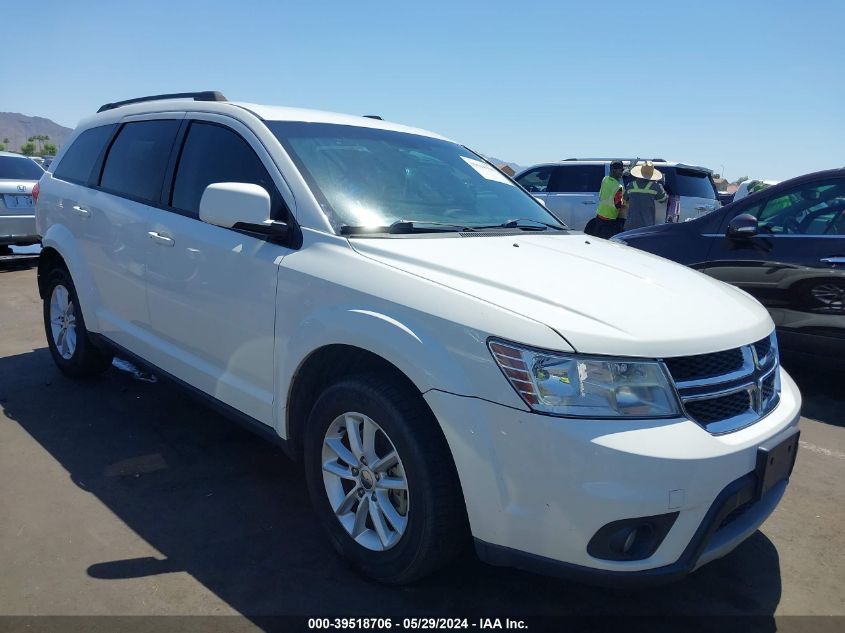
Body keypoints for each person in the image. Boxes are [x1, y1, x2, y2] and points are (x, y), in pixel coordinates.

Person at [624, 161, 668, 230]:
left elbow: (624, 198)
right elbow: (664, 199)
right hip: (646, 226)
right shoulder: (656, 186)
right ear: (652, 175)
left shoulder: (630, 185)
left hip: (630, 225)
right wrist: (660, 184)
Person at [587, 160, 625, 239]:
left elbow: (611, 181)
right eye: (621, 170)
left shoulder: (605, 180)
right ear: (615, 170)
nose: (622, 172)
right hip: (609, 220)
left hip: (599, 216)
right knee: (607, 242)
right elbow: (618, 205)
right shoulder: (618, 187)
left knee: (598, 240)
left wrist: (622, 175)